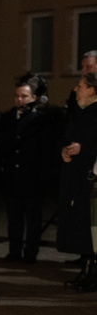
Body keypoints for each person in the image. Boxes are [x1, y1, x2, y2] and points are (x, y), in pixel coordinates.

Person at [0, 75, 54, 264]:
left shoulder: (41, 120)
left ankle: (30, 253)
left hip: (32, 178)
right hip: (12, 177)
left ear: (33, 98)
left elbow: (46, 151)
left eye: (24, 96)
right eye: (17, 96)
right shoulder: (8, 118)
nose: (20, 100)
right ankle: (14, 251)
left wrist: (43, 177)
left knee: (33, 219)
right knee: (14, 218)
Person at [57, 73, 97, 289]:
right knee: (82, 226)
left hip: (93, 179)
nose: (75, 89)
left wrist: (84, 149)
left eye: (80, 86)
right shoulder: (77, 111)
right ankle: (85, 272)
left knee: (92, 227)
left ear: (91, 90)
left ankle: (93, 276)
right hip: (76, 177)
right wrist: (65, 151)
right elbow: (67, 137)